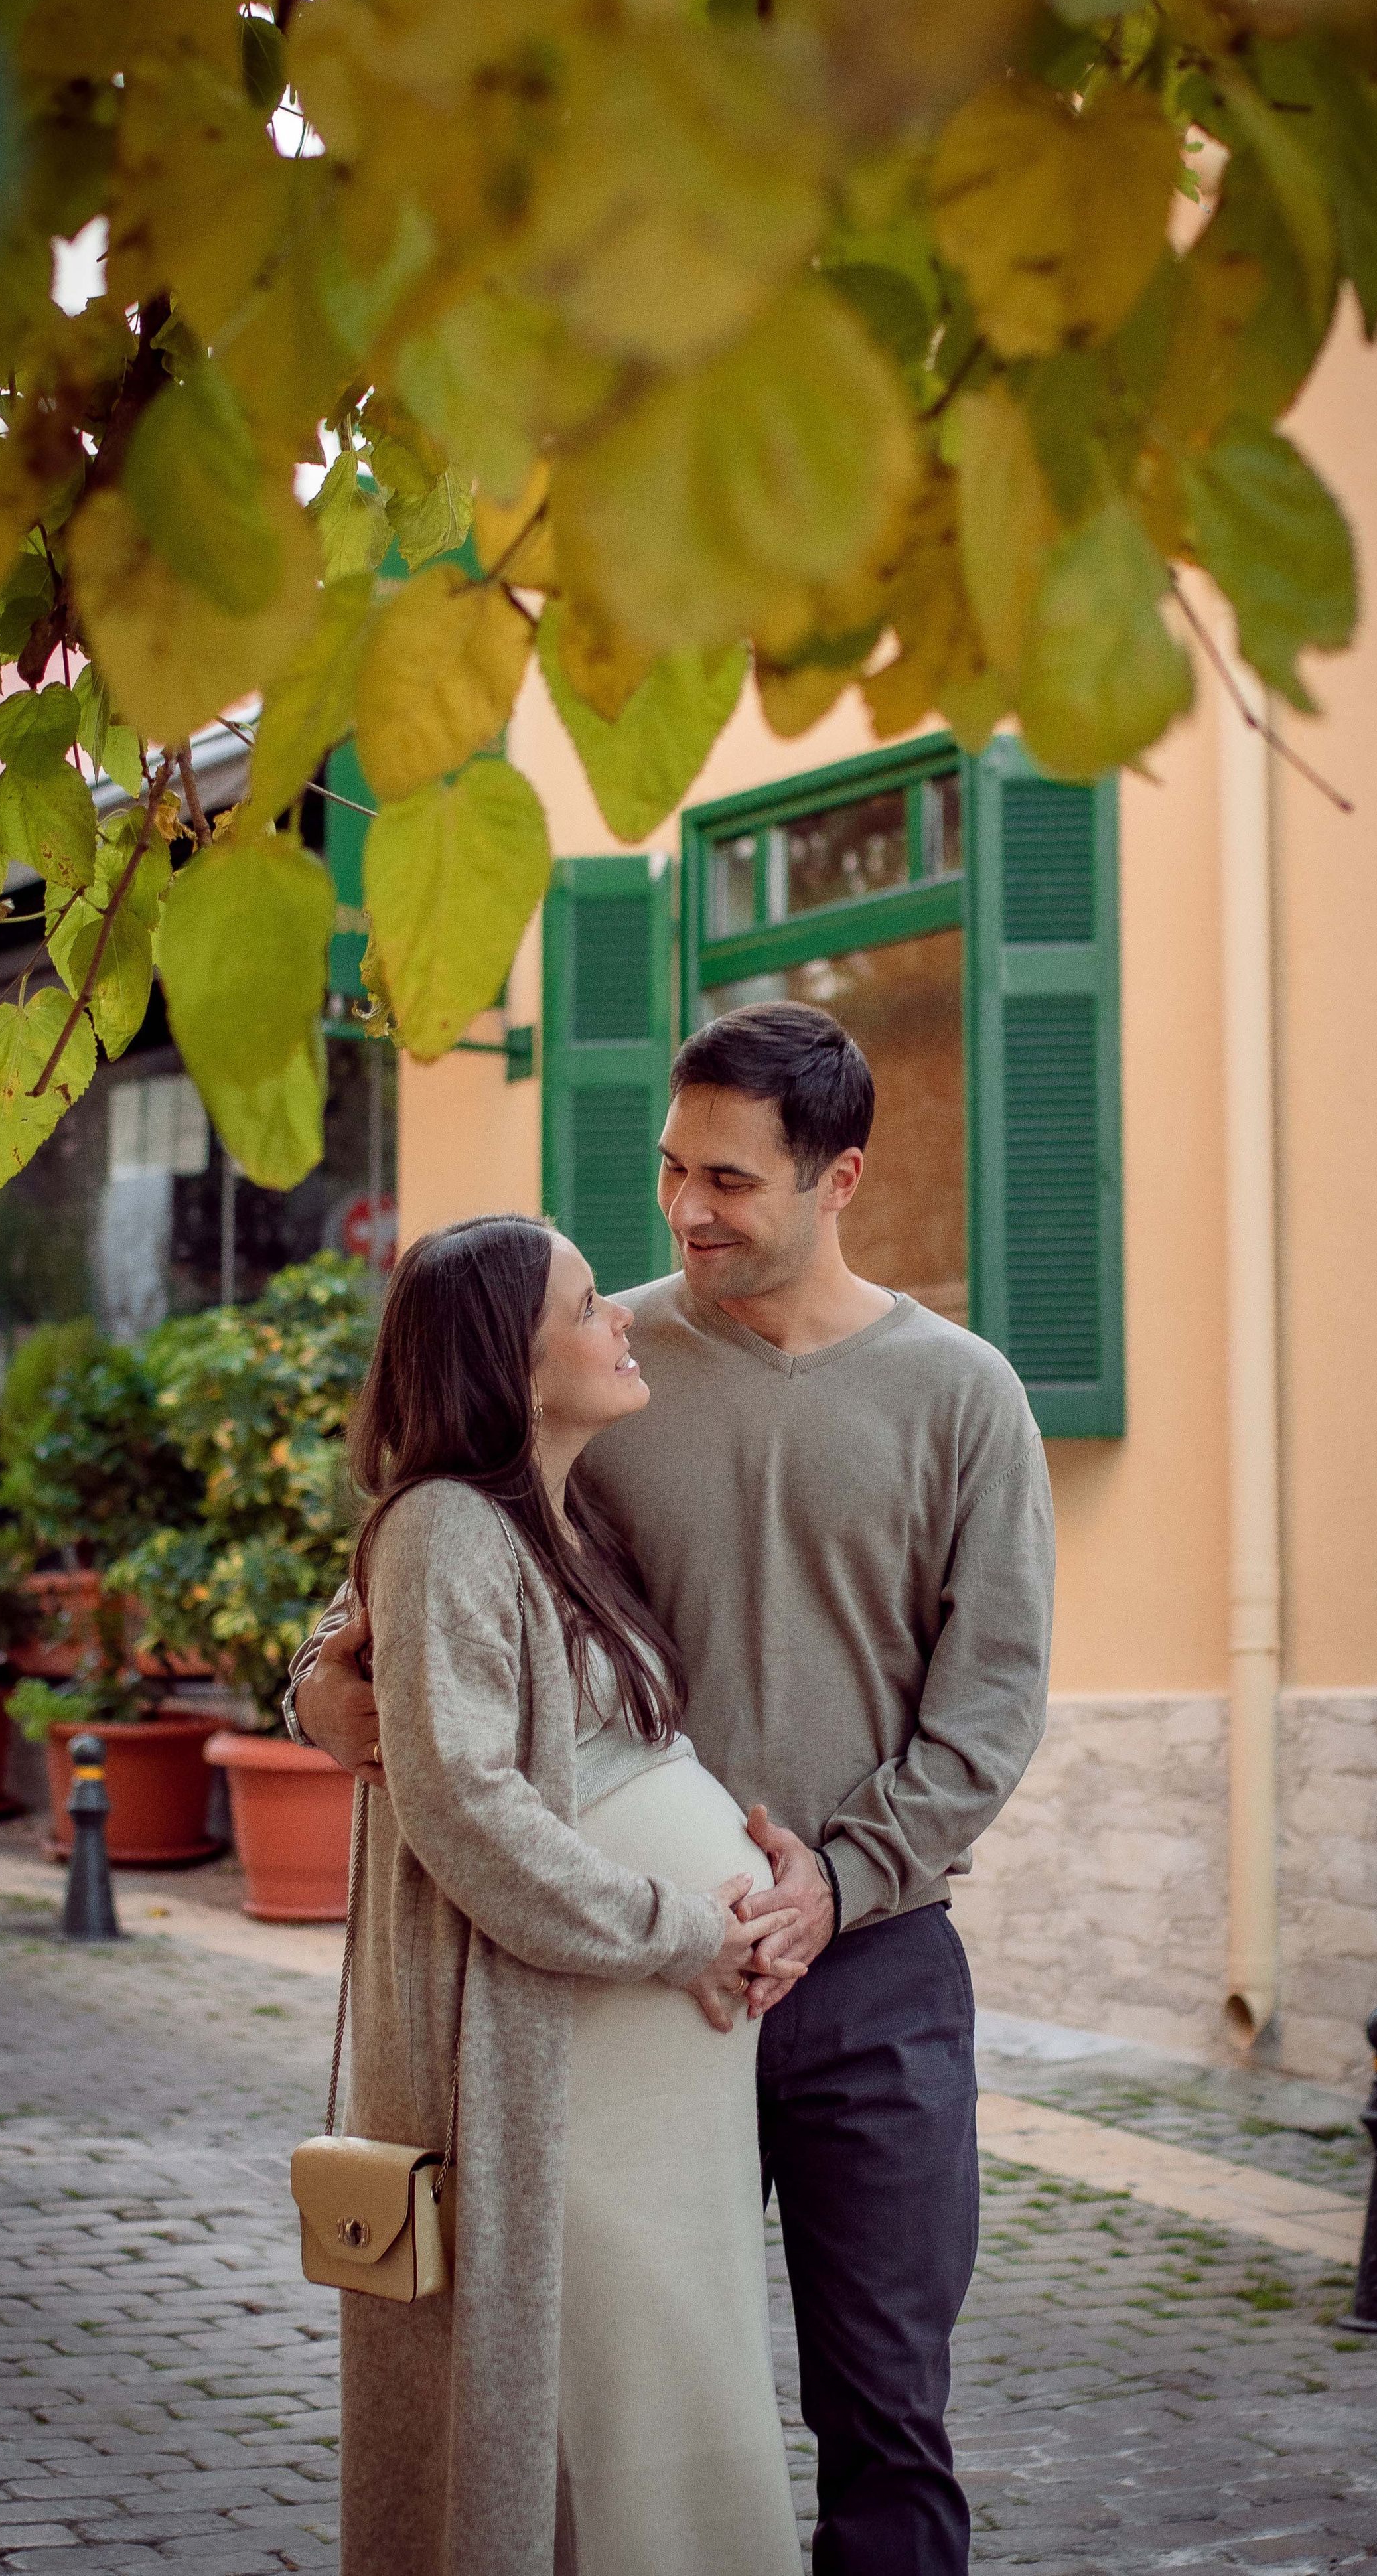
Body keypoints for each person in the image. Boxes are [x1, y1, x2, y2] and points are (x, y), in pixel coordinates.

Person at [294, 999, 1056, 2575]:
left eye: (730, 1182)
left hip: (871, 1978)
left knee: (886, 2417)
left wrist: (830, 1882)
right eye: (671, 1171)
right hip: (634, 1998)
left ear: (836, 1179)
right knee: (635, 2397)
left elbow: (987, 1709)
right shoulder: (590, 1358)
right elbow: (392, 1594)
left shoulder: (964, 1394)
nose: (685, 1212)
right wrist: (335, 1697)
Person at [323, 1212, 809, 2576]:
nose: (623, 1322)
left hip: (651, 2057)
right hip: (566, 2053)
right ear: (507, 1358)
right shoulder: (442, 1530)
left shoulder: (560, 1520)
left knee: (667, 2376)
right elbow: (464, 1805)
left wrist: (738, 1889)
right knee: (591, 2395)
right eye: (589, 1306)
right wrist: (685, 1931)